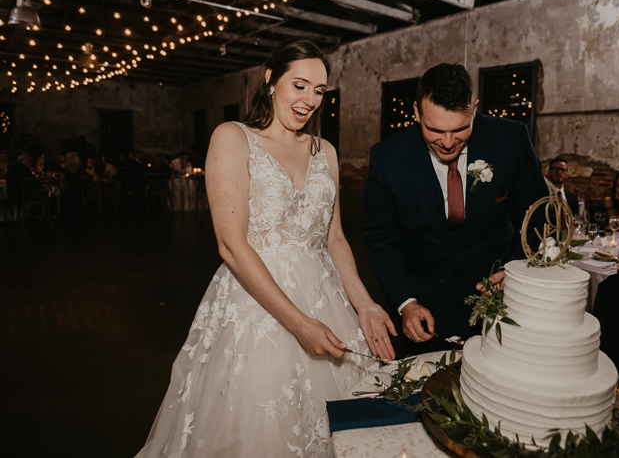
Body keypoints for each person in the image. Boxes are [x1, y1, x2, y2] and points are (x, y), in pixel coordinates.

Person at [137, 39, 396, 458]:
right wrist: (298, 323)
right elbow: (231, 245)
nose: (310, 99)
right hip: (256, 306)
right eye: (299, 85)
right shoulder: (233, 138)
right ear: (270, 80)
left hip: (325, 298)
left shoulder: (324, 151)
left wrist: (364, 304)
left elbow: (334, 240)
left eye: (319, 90)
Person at [362, 63, 550, 355]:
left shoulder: (510, 141)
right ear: (416, 112)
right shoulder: (388, 159)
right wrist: (406, 303)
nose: (448, 143)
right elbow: (378, 239)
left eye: (460, 129)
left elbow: (537, 215)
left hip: (498, 293)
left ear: (474, 109)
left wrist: (514, 269)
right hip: (424, 301)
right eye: (434, 130)